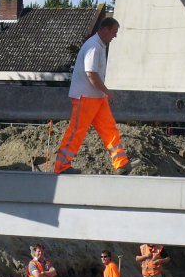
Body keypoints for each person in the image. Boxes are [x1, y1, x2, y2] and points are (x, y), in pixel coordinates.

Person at [54, 18, 131, 175]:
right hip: (87, 97)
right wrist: (107, 91)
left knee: (109, 129)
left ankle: (121, 163)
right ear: (105, 29)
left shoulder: (98, 46)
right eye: (114, 32)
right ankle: (61, 167)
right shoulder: (94, 46)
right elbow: (91, 74)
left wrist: (104, 92)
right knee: (77, 131)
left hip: (95, 97)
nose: (115, 36)